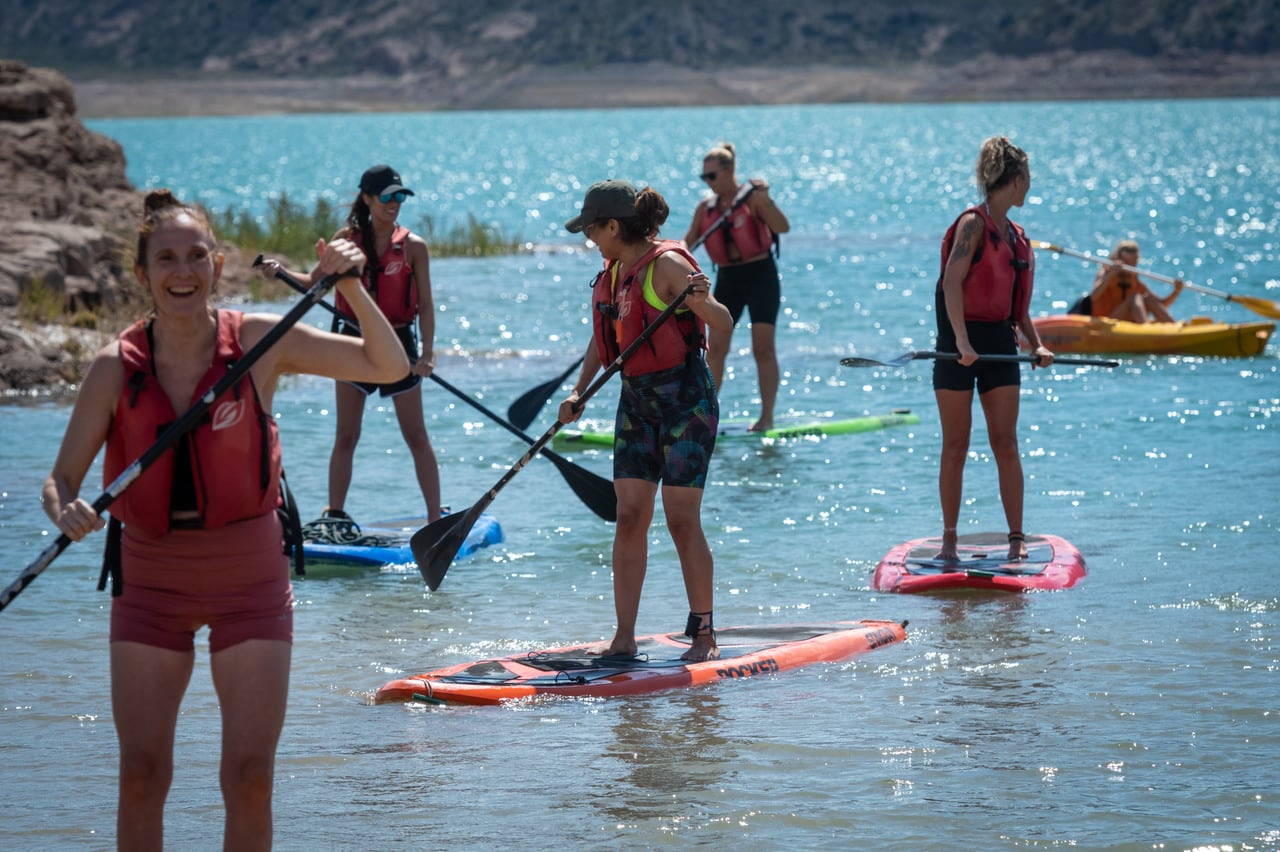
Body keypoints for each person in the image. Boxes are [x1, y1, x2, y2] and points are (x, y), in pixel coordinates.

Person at [41, 190, 409, 850]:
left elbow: (389, 365)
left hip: (250, 581)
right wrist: (63, 507)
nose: (182, 272)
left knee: (248, 776)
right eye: (166, 259)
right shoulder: (111, 366)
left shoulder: (262, 342)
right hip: (149, 581)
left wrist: (351, 285)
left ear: (218, 264)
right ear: (142, 273)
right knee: (142, 774)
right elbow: (61, 478)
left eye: (196, 257)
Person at [559, 179, 733, 662]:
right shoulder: (612, 273)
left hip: (686, 402)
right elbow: (604, 336)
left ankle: (703, 632)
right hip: (636, 402)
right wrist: (577, 391)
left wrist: (702, 300)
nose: (588, 239)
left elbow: (722, 322)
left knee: (681, 520)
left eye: (591, 230)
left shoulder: (670, 265)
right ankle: (624, 638)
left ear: (613, 226)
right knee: (630, 516)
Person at [259, 164, 442, 526]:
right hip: (350, 338)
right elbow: (313, 283)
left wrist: (428, 353)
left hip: (398, 342)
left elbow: (426, 305)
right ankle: (335, 516)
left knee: (416, 435)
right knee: (346, 435)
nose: (396, 203)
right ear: (369, 199)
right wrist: (279, 271)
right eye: (388, 197)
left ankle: (436, 519)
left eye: (401, 196)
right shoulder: (345, 240)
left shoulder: (414, 246)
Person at [934, 137, 1054, 562]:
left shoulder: (1018, 237)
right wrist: (962, 342)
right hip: (958, 343)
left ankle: (1016, 540)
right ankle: (949, 539)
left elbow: (1018, 308)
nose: (1030, 187)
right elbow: (952, 282)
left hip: (999, 343)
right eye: (1028, 180)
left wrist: (1037, 346)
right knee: (956, 445)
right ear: (1016, 179)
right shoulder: (972, 225)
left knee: (1005, 442)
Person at [682, 141, 790, 432]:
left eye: (712, 176)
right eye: (704, 178)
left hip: (760, 276)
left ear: (730, 171)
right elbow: (687, 244)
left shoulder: (753, 198)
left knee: (762, 349)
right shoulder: (706, 209)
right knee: (716, 349)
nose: (708, 182)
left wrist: (766, 199)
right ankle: (706, 417)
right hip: (728, 280)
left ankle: (766, 417)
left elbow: (782, 227)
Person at [1084, 239, 1184, 322]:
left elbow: (1161, 304)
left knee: (1147, 298)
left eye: (1134, 262)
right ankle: (1147, 331)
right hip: (1106, 322)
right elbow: (1094, 296)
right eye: (1127, 262)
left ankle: (1176, 328)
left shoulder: (1133, 280)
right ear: (1119, 259)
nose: (1131, 266)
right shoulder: (1106, 272)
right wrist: (1111, 274)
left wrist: (1176, 291)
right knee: (1134, 298)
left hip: (1125, 322)